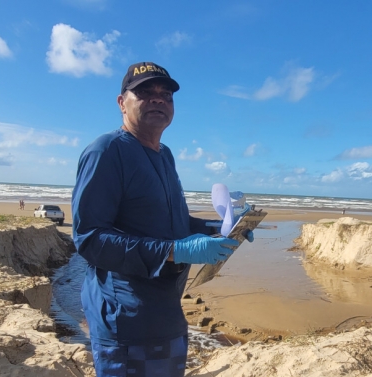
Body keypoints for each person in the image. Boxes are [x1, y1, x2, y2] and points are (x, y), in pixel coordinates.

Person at [72, 62, 250, 377]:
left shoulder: (164, 154)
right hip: (126, 320)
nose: (158, 99)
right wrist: (175, 251)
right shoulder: (107, 152)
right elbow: (89, 239)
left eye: (166, 95)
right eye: (145, 92)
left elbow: (173, 222)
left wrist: (221, 228)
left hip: (166, 313)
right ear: (121, 102)